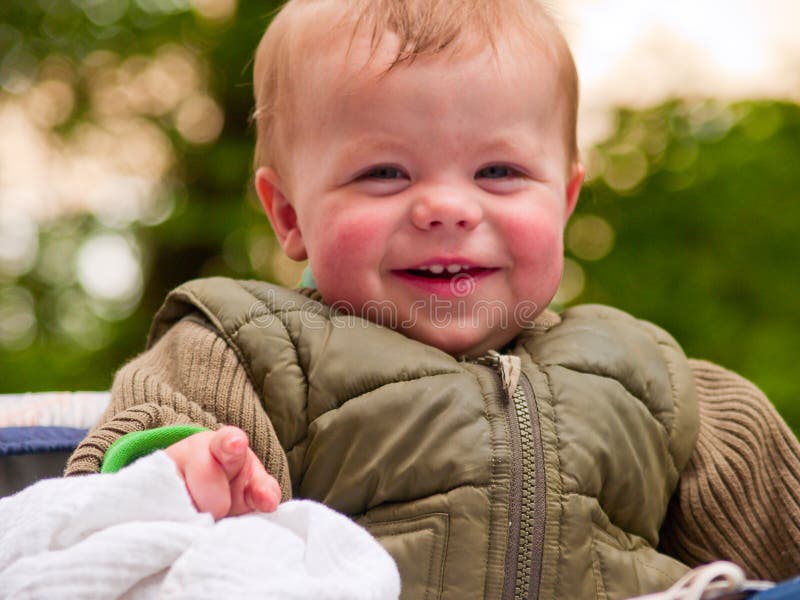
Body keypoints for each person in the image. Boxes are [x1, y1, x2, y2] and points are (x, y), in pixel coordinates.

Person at [67, 0, 800, 598]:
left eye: (500, 171)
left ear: (565, 200)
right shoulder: (247, 351)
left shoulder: (661, 384)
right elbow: (100, 511)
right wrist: (176, 471)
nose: (447, 208)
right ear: (289, 215)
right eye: (385, 172)